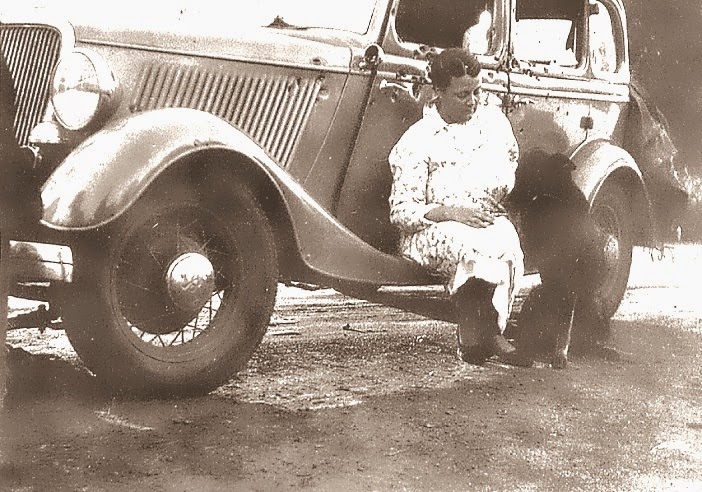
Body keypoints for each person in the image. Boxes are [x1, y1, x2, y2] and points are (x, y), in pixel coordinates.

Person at [388, 48, 529, 366]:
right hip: (429, 229)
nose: (473, 101)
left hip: (479, 216)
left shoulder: (491, 124)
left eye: (478, 91)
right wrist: (451, 212)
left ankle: (486, 332)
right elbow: (401, 210)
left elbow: (509, 163)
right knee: (468, 244)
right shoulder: (419, 139)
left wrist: (492, 197)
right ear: (438, 92)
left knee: (504, 238)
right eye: (462, 94)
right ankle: (480, 335)